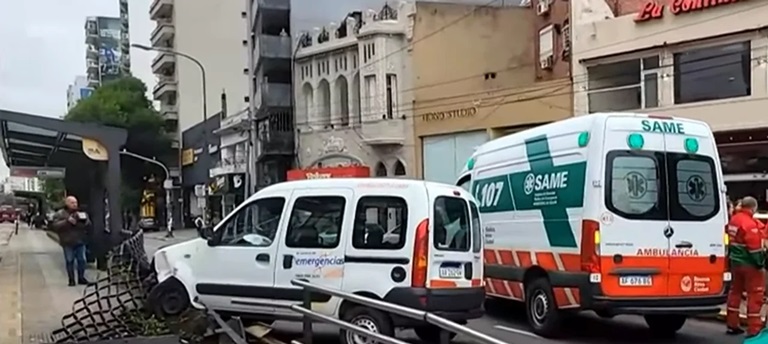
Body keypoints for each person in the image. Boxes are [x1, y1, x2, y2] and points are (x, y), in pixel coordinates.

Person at [726, 196, 766, 337]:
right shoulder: (749, 225)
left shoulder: (735, 219)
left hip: (735, 263)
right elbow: (755, 249)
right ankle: (754, 329)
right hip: (749, 264)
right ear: (753, 208)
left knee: (735, 292)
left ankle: (732, 324)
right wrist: (760, 263)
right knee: (755, 295)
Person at [52, 196, 91, 287]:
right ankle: (71, 279)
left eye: (76, 203)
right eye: (72, 203)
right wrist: (67, 221)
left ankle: (81, 278)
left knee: (82, 260)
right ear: (67, 203)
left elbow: (89, 225)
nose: (74, 205)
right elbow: (55, 226)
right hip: (67, 241)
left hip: (80, 240)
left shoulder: (81, 213)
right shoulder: (60, 214)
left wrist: (84, 221)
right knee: (70, 260)